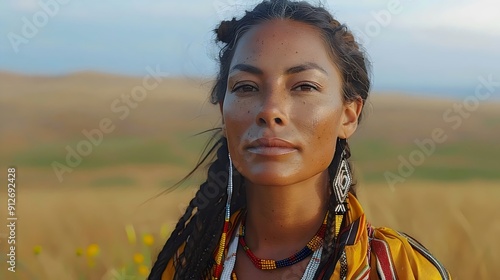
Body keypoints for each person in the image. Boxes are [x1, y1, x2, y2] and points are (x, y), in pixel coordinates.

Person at [149, 0, 451, 279]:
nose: (270, 110)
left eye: (304, 86)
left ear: (348, 115)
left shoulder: (399, 269)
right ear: (223, 113)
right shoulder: (185, 266)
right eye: (246, 87)